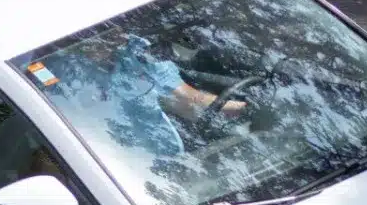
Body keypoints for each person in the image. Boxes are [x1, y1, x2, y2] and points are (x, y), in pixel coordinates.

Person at [32, 34, 244, 159]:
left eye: (114, 32)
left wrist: (241, 110)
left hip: (161, 152)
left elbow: (190, 98)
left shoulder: (138, 52)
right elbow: (57, 110)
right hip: (101, 153)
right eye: (94, 38)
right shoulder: (46, 67)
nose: (112, 38)